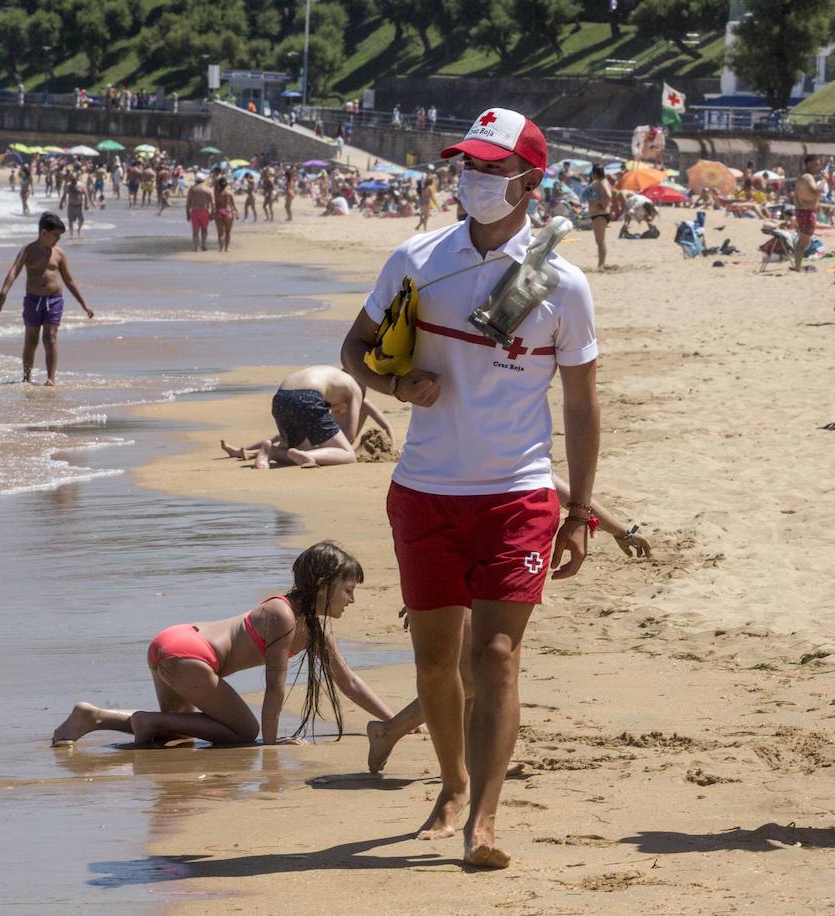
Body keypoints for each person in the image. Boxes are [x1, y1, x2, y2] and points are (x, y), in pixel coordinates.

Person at [340, 107, 599, 869]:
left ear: (528, 180)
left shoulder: (562, 281)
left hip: (516, 492)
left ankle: (483, 819)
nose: (474, 180)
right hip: (424, 488)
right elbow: (354, 350)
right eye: (468, 166)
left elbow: (582, 404)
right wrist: (394, 383)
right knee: (432, 664)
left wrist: (579, 510)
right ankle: (451, 785)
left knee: (494, 657)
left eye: (490, 168)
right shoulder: (416, 258)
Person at [366, 486, 651, 772]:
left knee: (477, 671)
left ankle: (471, 761)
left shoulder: (508, 454)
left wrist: (620, 531)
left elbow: (563, 490)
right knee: (472, 677)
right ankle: (389, 731)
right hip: (452, 554)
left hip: (493, 562)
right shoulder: (457, 455)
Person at [50, 542, 404, 747]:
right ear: (324, 586)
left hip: (171, 645)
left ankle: (94, 717)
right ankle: (145, 721)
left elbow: (349, 682)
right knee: (243, 733)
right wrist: (270, 744)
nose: (351, 600)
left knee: (177, 727)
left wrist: (399, 721)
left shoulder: (315, 630)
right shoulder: (281, 613)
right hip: (190, 654)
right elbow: (274, 687)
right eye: (348, 590)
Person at [220, 365, 392, 469]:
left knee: (302, 451)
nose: (338, 411)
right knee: (348, 455)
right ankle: (309, 456)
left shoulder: (331, 375)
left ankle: (270, 451)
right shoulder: (356, 390)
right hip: (308, 397)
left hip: (281, 398)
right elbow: (350, 436)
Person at [0, 213, 95, 386]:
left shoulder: (59, 254)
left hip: (54, 301)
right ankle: (26, 377)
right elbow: (14, 271)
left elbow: (69, 280)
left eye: (59, 236)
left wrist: (83, 303)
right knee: (31, 340)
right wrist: (3, 293)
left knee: (50, 338)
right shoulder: (28, 250)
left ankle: (51, 378)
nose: (57, 239)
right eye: (55, 235)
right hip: (33, 301)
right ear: (43, 233)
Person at [792, 154, 821, 272]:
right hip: (806, 212)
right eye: (816, 164)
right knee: (803, 243)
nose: (818, 167)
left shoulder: (803, 178)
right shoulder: (808, 177)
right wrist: (824, 181)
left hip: (803, 211)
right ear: (809, 163)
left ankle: (797, 266)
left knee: (803, 242)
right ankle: (797, 268)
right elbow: (815, 191)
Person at [586, 164, 612, 270]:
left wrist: (602, 204)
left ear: (595, 173)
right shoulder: (599, 182)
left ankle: (601, 265)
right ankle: (600, 264)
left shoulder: (602, 182)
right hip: (597, 214)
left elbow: (609, 195)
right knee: (599, 241)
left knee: (600, 241)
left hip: (600, 214)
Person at [185, 172, 214, 252]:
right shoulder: (208, 189)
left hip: (195, 211)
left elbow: (188, 203)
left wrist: (187, 213)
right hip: (205, 211)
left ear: (196, 180)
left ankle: (196, 247)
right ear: (204, 180)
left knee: (195, 231)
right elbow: (213, 203)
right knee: (204, 229)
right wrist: (212, 214)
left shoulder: (193, 189)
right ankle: (203, 245)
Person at [213, 176, 239, 253]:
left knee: (220, 233)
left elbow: (214, 204)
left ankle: (220, 249)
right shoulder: (230, 193)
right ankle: (226, 249)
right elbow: (234, 205)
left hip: (219, 212)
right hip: (228, 212)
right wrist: (237, 213)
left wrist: (212, 213)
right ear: (226, 184)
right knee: (228, 232)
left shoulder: (216, 193)